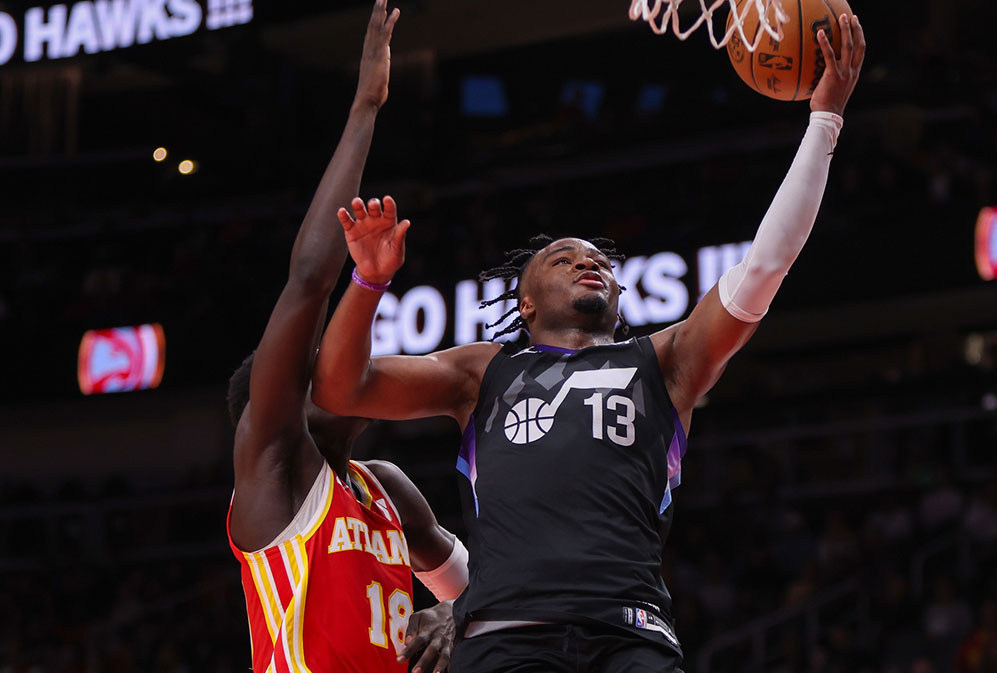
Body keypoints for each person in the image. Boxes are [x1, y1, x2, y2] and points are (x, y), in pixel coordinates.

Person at [312, 13, 866, 672]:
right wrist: (369, 284)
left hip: (630, 633)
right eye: (562, 257)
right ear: (524, 302)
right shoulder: (481, 370)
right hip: (505, 634)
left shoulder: (663, 362)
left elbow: (766, 266)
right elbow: (342, 386)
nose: (589, 261)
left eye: (601, 258)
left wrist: (823, 124)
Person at [224, 3, 467, 672]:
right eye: (317, 365)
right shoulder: (276, 466)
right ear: (278, 405)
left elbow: (479, 595)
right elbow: (308, 280)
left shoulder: (388, 487)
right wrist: (366, 107)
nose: (341, 363)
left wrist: (459, 615)